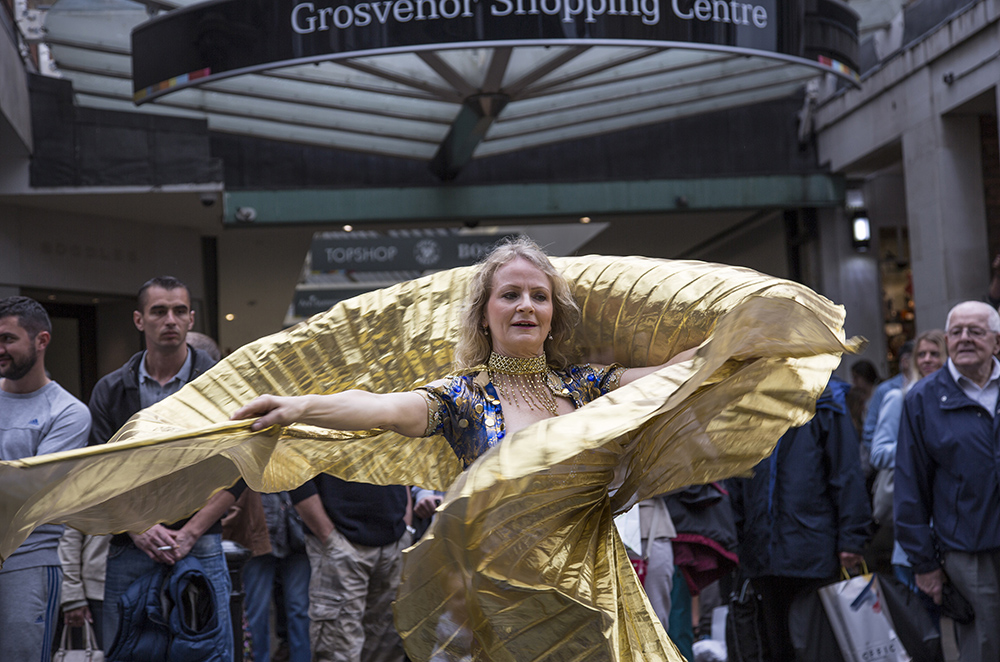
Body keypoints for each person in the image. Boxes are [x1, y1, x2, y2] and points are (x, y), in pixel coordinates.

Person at [0, 245, 862, 662]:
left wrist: (746, 333)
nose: (524, 307)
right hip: (489, 592)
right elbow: (381, 410)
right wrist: (298, 403)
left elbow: (680, 373)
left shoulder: (591, 386)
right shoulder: (462, 397)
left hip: (591, 581)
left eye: (537, 296)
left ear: (553, 313)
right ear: (487, 312)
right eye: (509, 295)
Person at [87, 276, 242, 657]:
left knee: (209, 653)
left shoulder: (222, 385)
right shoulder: (111, 389)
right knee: (126, 652)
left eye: (178, 311)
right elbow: (97, 472)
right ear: (139, 320)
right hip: (130, 544)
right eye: (159, 311)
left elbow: (240, 468)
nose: (170, 320)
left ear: (191, 318)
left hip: (201, 539)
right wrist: (139, 528)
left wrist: (190, 532)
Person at [727, 377, 872, 661]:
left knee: (819, 648)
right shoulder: (748, 400)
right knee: (778, 648)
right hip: (764, 554)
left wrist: (852, 540)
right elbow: (736, 478)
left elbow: (846, 473)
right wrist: (737, 539)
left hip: (813, 553)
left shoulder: (824, 398)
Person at [896, 301, 1000, 661]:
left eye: (976, 331)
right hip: (967, 552)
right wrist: (924, 563)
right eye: (957, 332)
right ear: (947, 340)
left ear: (997, 341)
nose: (965, 338)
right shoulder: (923, 399)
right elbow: (910, 487)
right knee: (983, 647)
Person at [0, 296, 91, 660]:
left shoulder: (68, 413)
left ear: (42, 341)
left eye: (8, 339)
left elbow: (29, 491)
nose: (0, 348)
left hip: (27, 564)